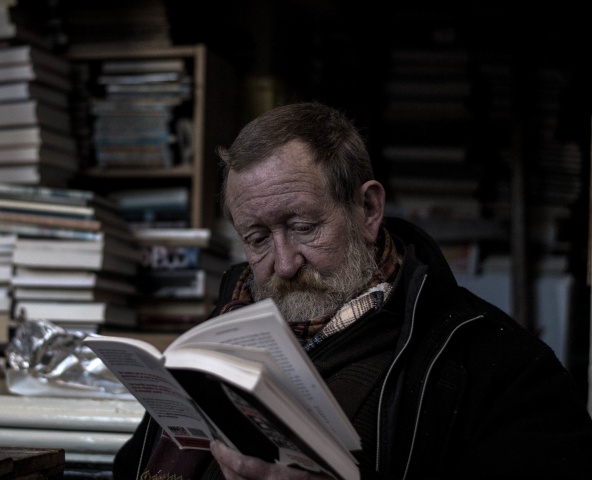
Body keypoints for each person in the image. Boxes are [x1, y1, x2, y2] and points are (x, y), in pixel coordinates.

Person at [113, 101, 592, 479]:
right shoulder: (215, 340)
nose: (284, 263)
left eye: (302, 227)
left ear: (368, 210)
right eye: (257, 239)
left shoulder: (499, 365)